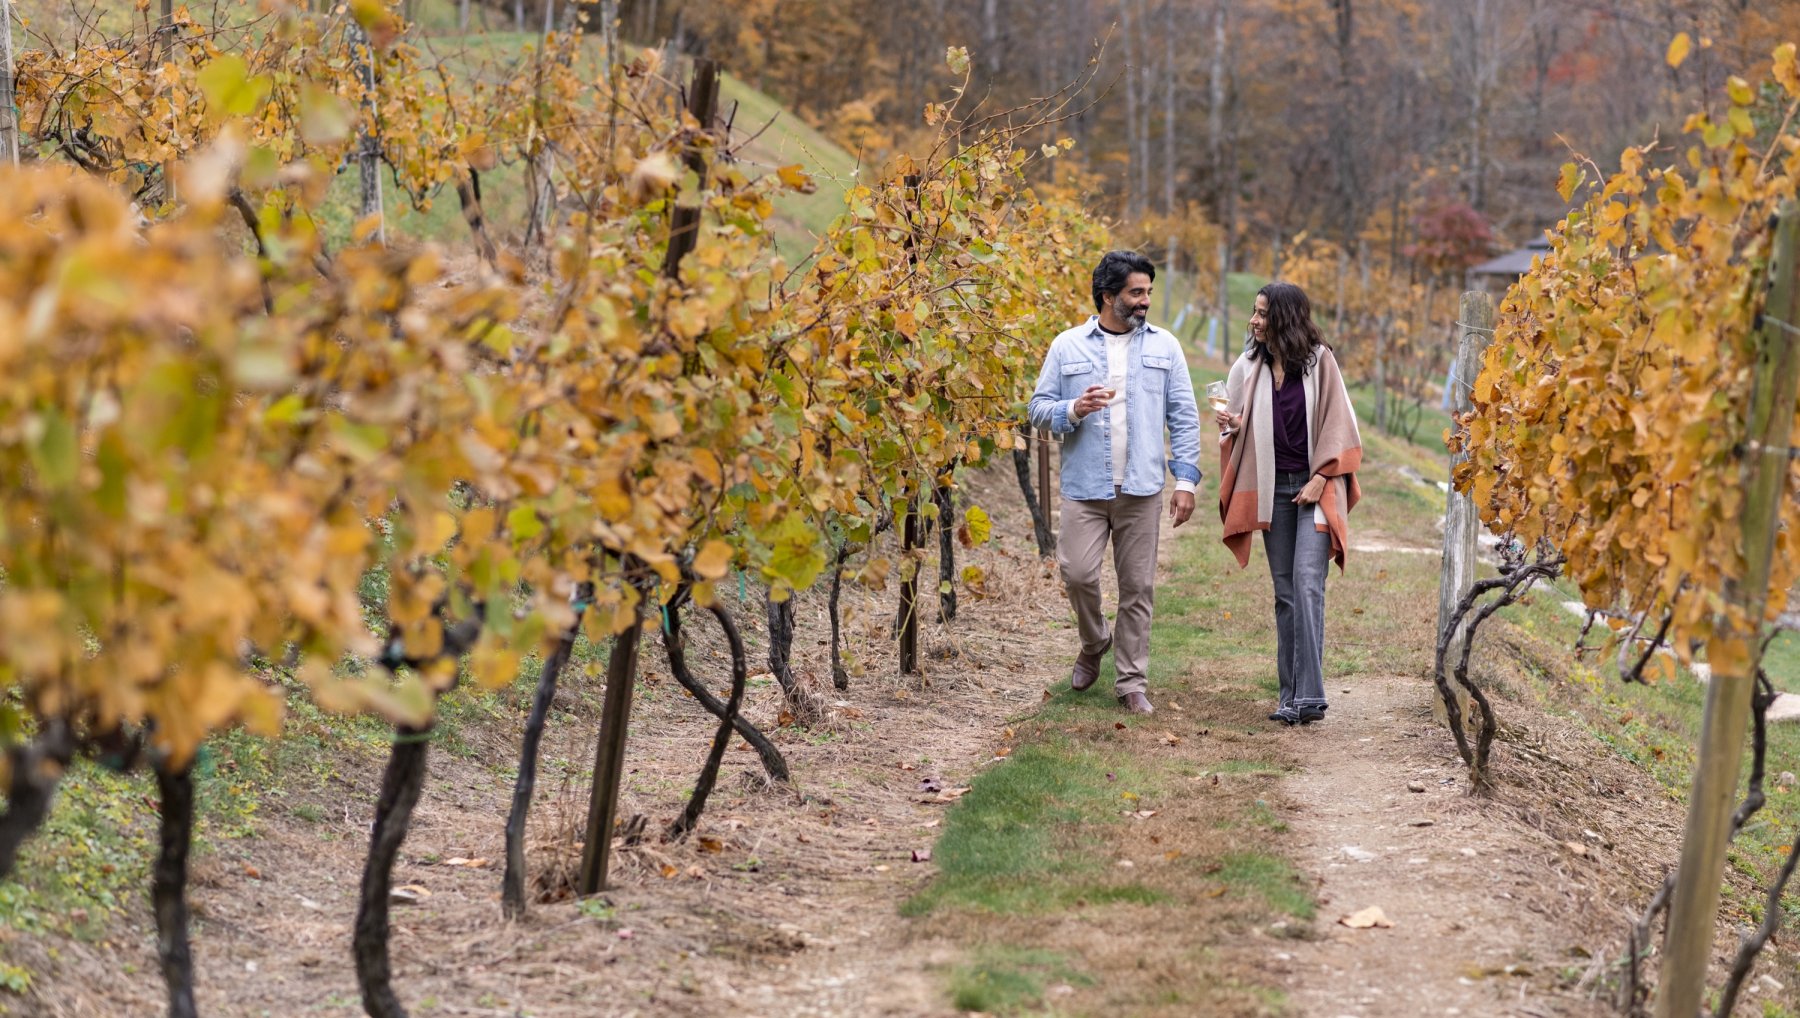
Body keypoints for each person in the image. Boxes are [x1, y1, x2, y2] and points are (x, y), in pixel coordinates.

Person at [1028, 251, 1201, 715]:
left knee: (1137, 588)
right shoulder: (1067, 346)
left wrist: (1185, 480)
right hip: (1085, 485)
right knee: (1078, 574)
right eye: (1135, 292)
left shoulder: (1166, 347)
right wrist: (1073, 410)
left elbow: (1184, 417)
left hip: (1141, 488)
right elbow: (1038, 408)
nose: (1145, 301)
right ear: (1108, 296)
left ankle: (1131, 683)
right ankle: (1094, 641)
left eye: (1148, 292)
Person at [1215, 282, 1362, 725]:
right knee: (1285, 594)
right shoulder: (1248, 366)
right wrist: (1232, 424)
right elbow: (1238, 430)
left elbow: (1341, 422)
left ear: (1285, 318)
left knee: (1307, 583)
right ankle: (1289, 695)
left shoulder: (1320, 363)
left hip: (1316, 486)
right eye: (1254, 312)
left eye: (1262, 313)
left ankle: (1309, 696)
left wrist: (1322, 477)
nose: (1254, 321)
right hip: (1273, 489)